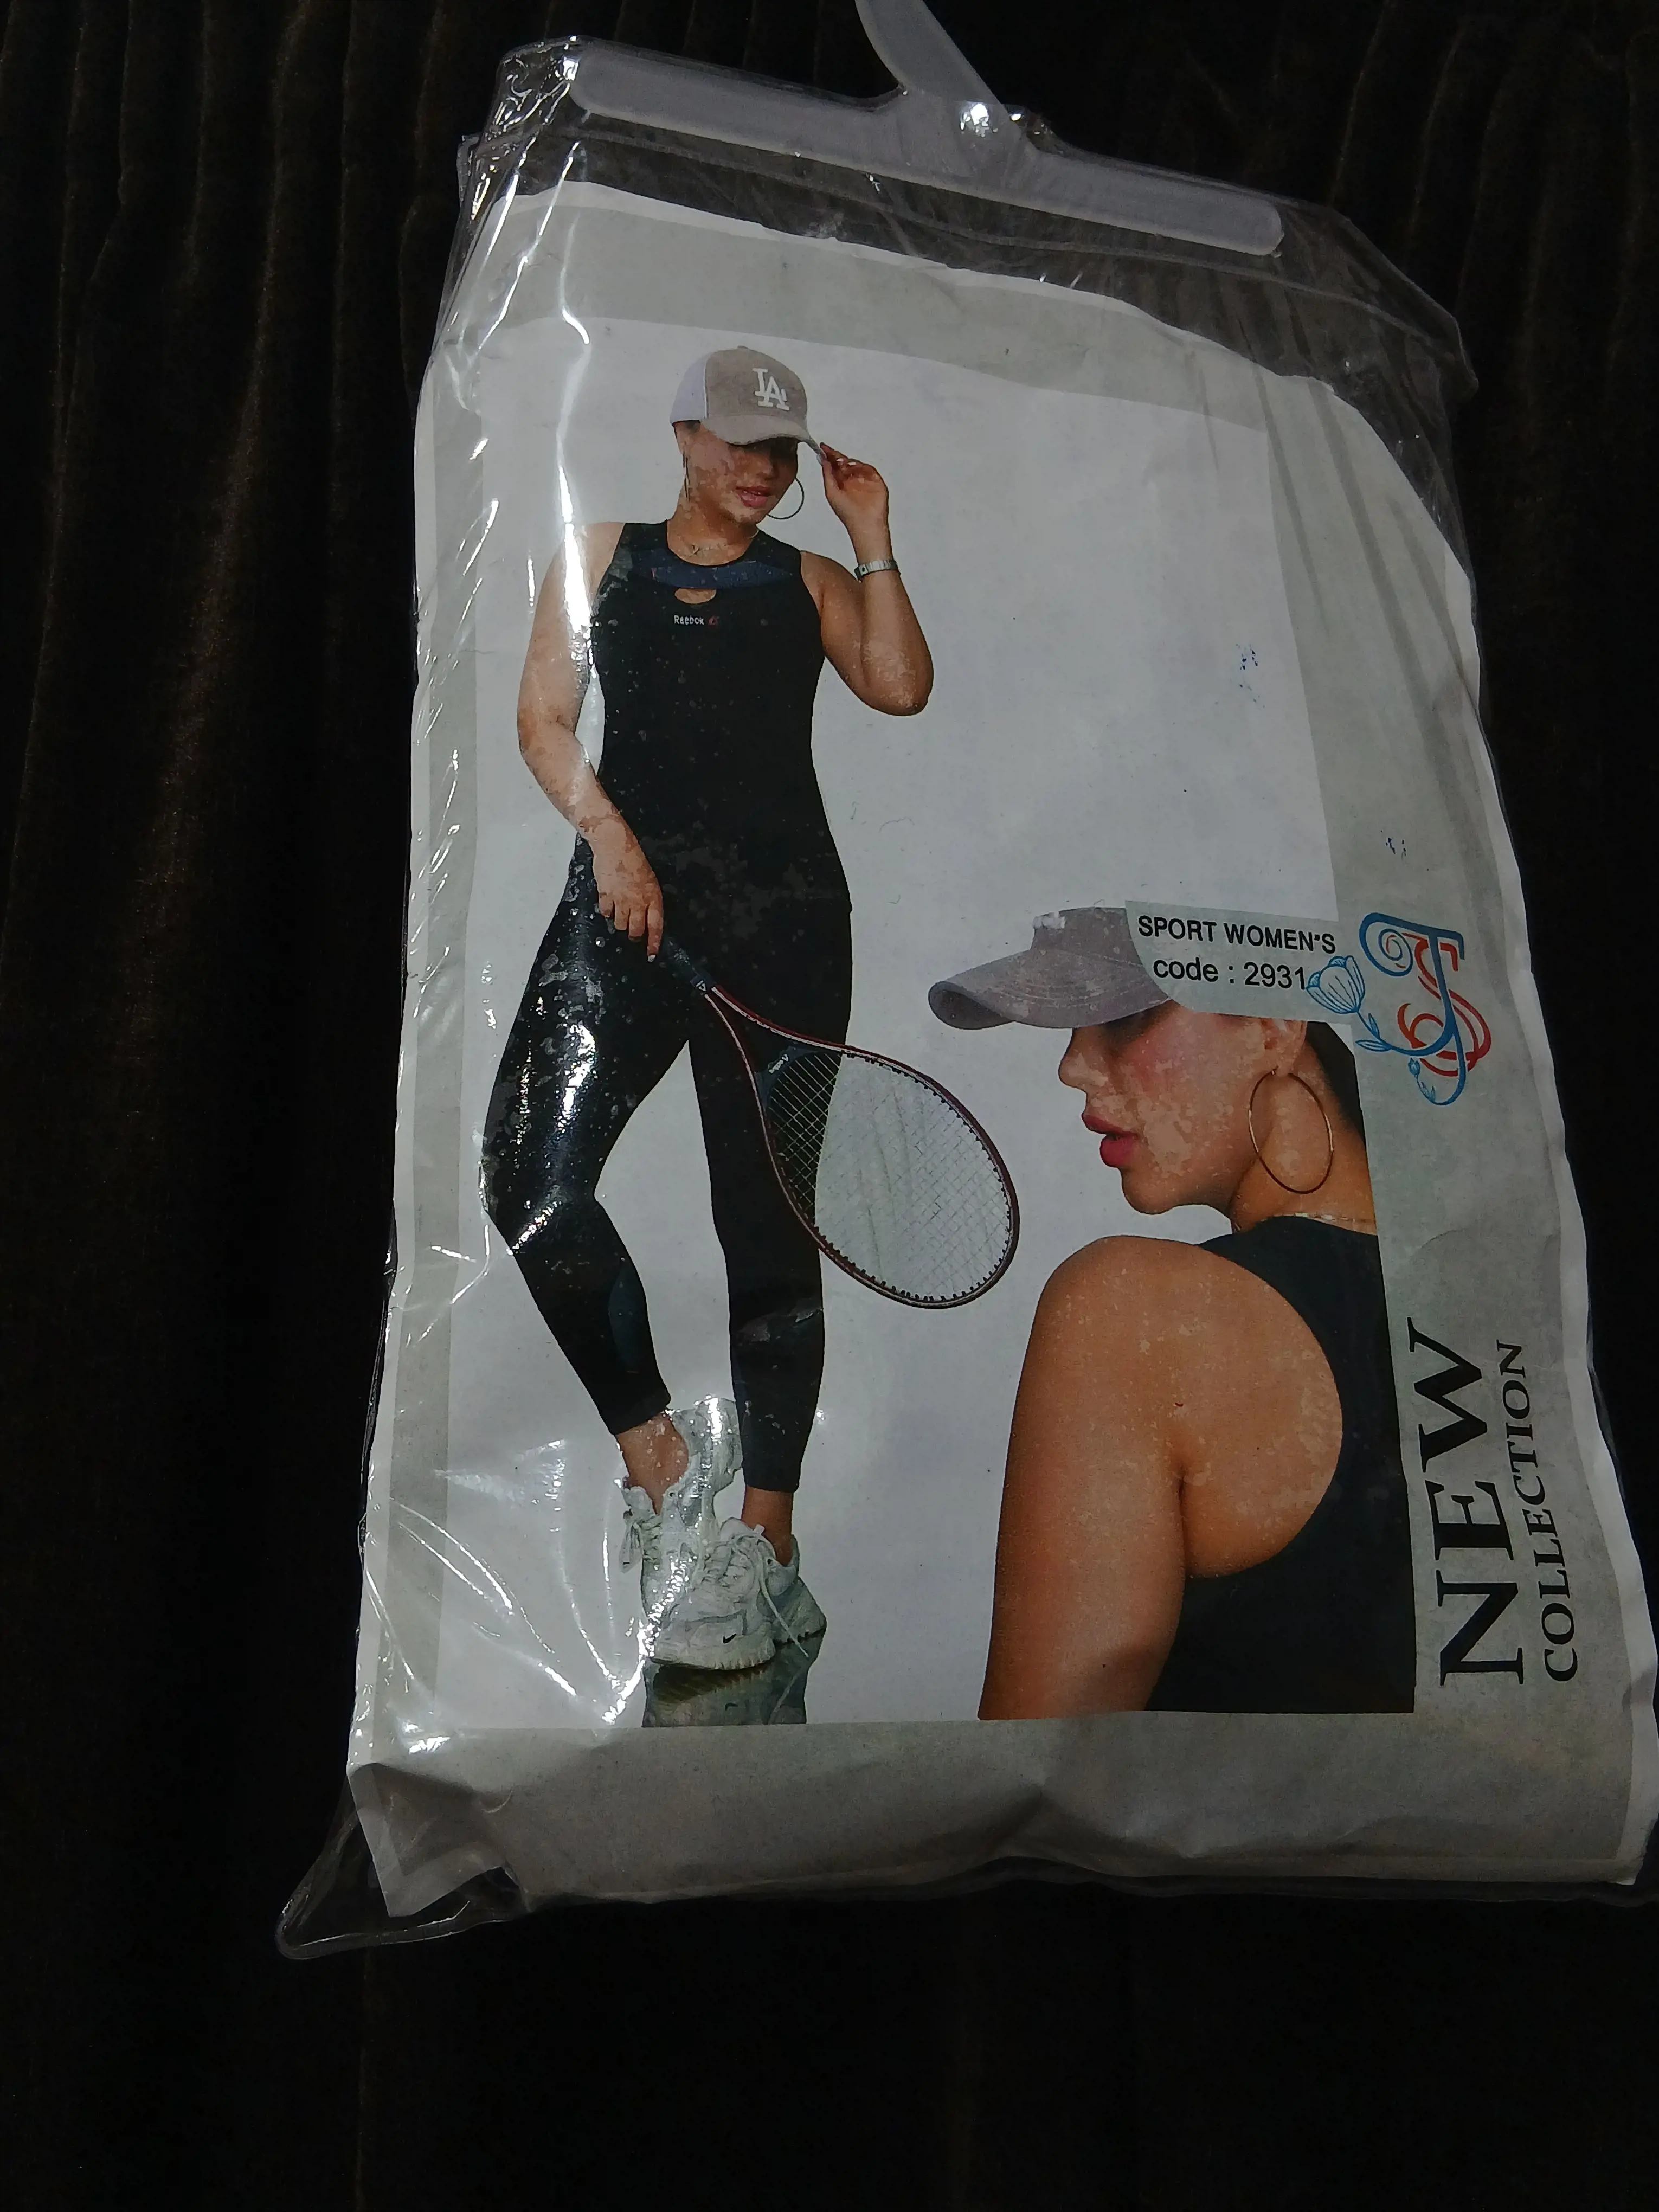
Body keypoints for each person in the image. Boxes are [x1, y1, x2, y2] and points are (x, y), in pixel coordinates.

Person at [483, 346, 933, 1676]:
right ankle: (660, 1457)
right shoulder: (598, 555)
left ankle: (766, 1545)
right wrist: (612, 842)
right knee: (527, 1171)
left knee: (768, 1225)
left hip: (782, 927)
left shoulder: (810, 579)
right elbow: (545, 721)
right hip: (621, 909)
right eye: (736, 441)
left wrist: (872, 535)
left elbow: (901, 685)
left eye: (778, 451)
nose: (758, 468)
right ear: (683, 433)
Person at [928, 907, 1414, 1717]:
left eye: (1125, 1017)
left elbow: (1045, 1770)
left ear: (1275, 1025)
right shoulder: (1507, 1308)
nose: (1074, 1068)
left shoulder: (1135, 1311)